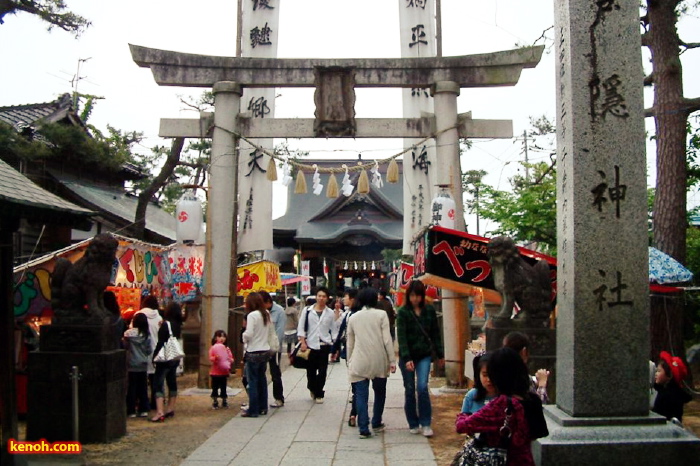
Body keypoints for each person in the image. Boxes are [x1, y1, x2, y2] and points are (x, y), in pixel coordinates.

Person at [455, 347, 538, 466]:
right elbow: (539, 432)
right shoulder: (532, 398)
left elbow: (462, 426)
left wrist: (463, 417)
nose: (490, 379)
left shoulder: (501, 404)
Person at [346, 287, 397, 439]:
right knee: (380, 392)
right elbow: (387, 339)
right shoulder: (381, 315)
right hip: (379, 359)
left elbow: (350, 342)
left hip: (360, 359)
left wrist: (349, 360)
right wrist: (392, 360)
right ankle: (376, 421)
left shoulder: (353, 317)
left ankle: (363, 427)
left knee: (361, 394)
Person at [396, 280, 444, 437]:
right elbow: (402, 337)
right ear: (408, 296)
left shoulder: (429, 311)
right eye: (412, 296)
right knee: (409, 389)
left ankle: (426, 422)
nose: (415, 299)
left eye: (418, 296)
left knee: (422, 387)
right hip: (407, 356)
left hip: (424, 354)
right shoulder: (403, 313)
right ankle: (413, 422)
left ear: (423, 296)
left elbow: (435, 334)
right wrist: (407, 357)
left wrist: (440, 354)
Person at [297, 287, 335, 403]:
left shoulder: (330, 313)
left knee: (323, 370)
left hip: (324, 344)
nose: (321, 298)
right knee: (311, 370)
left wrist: (334, 345)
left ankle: (319, 393)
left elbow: (334, 329)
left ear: (327, 298)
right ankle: (312, 388)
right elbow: (301, 327)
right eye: (319, 296)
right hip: (311, 344)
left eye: (324, 296)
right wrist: (303, 342)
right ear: (316, 297)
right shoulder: (308, 310)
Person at [150, 302, 183, 422]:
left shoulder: (165, 325)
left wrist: (155, 356)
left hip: (164, 357)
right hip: (174, 356)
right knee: (172, 381)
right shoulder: (178, 325)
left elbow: (161, 342)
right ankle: (170, 408)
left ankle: (159, 411)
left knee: (158, 383)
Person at [241, 292, 271, 417]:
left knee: (252, 381)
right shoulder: (266, 313)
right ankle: (263, 406)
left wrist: (243, 337)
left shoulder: (252, 315)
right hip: (265, 350)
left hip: (253, 351)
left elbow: (249, 333)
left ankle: (253, 409)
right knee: (262, 379)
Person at [502, 331, 550, 404]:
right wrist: (542, 385)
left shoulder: (499, 372)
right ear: (524, 352)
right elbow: (537, 408)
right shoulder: (520, 378)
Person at [135, 295, 163, 407]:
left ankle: (142, 401)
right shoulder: (159, 317)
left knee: (141, 379)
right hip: (156, 349)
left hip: (141, 349)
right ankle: (156, 401)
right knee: (155, 378)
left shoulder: (138, 315)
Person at [260, 291, 286, 408]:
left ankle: (279, 397)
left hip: (274, 347)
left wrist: (274, 347)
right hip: (260, 346)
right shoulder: (259, 313)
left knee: (275, 372)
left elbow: (279, 331)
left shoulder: (279, 311)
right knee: (260, 372)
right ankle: (260, 398)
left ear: (268, 302)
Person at [652, 351, 692, 422]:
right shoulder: (663, 391)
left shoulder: (669, 396)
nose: (656, 374)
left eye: (659, 371)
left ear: (669, 375)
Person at [123, 313, 151, 417]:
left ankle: (131, 410)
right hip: (142, 363)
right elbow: (149, 350)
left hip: (131, 363)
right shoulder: (146, 335)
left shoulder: (127, 334)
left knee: (131, 387)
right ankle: (143, 409)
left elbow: (125, 347)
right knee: (142, 387)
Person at [209, 329, 234, 410]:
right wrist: (215, 358)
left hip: (223, 372)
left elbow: (230, 357)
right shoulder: (213, 348)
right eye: (220, 336)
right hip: (215, 372)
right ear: (216, 338)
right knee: (215, 387)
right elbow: (211, 358)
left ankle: (224, 400)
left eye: (224, 336)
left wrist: (230, 360)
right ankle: (215, 400)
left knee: (223, 387)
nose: (222, 338)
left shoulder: (227, 348)